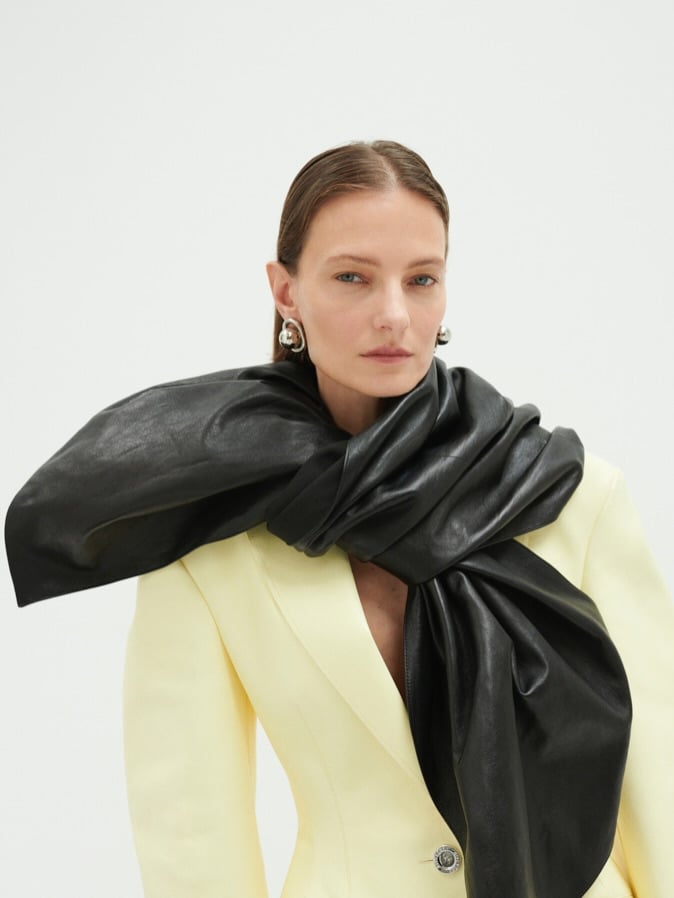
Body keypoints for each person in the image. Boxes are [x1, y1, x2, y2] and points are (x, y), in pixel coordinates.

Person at [5, 141, 673, 898]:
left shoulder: (569, 494)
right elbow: (190, 825)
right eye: (353, 277)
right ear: (286, 291)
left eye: (421, 279)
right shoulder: (211, 531)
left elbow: (660, 774)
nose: (394, 315)